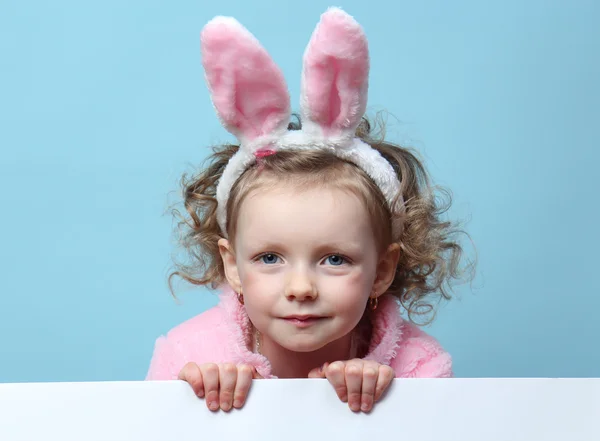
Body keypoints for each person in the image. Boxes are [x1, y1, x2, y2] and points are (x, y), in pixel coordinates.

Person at [145, 7, 472, 414]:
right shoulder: (190, 355)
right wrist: (190, 404)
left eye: (335, 259)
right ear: (232, 265)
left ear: (382, 270)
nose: (301, 288)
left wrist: (388, 409)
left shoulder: (415, 367)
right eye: (269, 257)